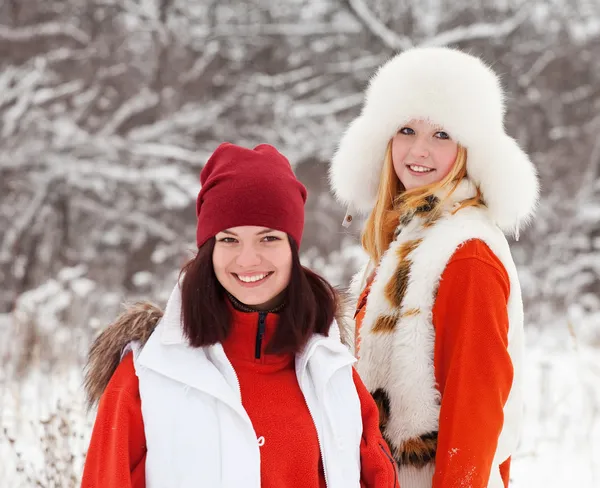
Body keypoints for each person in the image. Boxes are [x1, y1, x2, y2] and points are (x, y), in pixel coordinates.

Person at [81, 142, 398, 488]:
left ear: (292, 249)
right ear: (208, 250)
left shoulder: (328, 367)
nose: (248, 260)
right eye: (230, 240)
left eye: (268, 239)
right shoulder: (149, 372)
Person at [329, 47, 539, 488]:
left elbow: (475, 415)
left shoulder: (466, 254)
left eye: (442, 134)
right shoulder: (406, 239)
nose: (418, 150)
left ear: (469, 148)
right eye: (407, 129)